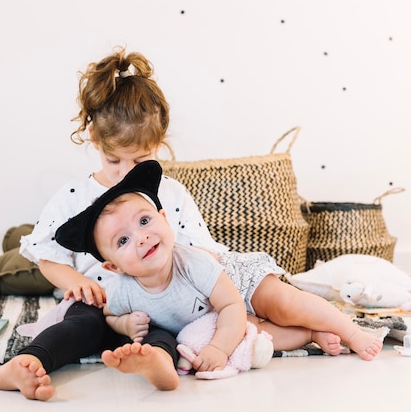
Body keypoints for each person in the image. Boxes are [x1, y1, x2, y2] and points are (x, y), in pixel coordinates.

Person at [0, 46, 379, 401]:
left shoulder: (168, 193)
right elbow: (47, 256)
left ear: (158, 144)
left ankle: (161, 361)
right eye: (114, 162)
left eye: (139, 162)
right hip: (111, 303)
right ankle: (26, 365)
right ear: (94, 138)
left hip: (177, 294)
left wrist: (205, 294)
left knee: (217, 318)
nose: (127, 174)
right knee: (85, 328)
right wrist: (76, 282)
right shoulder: (74, 197)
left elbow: (199, 249)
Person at [56, 160, 383, 380]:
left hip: (239, 284)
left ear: (165, 220)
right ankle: (311, 333)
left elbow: (230, 304)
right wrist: (126, 323)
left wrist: (218, 349)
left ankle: (351, 331)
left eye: (145, 221)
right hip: (217, 316)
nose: (142, 238)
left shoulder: (192, 262)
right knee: (258, 334)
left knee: (283, 305)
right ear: (113, 266)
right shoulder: (123, 289)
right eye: (124, 239)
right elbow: (112, 314)